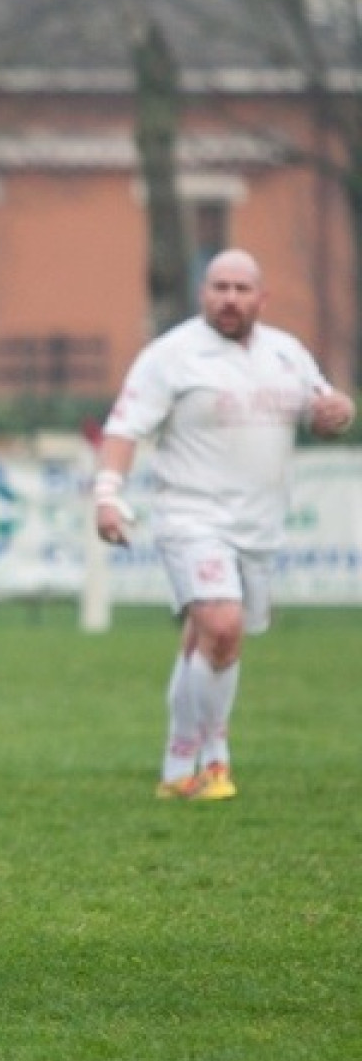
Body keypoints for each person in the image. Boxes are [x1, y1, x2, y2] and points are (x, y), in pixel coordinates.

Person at [95, 248, 354, 801]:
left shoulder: (287, 354)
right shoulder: (171, 355)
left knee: (205, 641)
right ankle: (214, 756)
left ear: (262, 297)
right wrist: (107, 495)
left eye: (241, 288)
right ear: (202, 293)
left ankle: (176, 765)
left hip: (258, 525)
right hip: (191, 516)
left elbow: (323, 408)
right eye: (219, 287)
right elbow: (125, 427)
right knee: (222, 626)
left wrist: (340, 412)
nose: (229, 298)